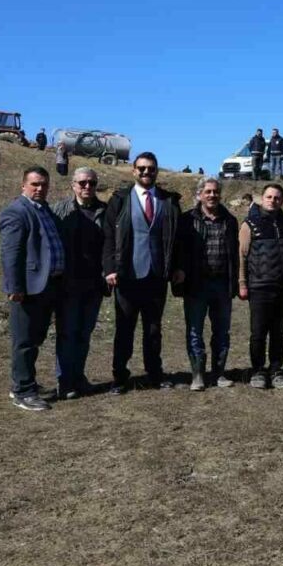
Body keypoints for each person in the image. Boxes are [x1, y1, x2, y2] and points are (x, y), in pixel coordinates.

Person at [103, 153, 182, 394]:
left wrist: (176, 267)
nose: (146, 172)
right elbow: (108, 236)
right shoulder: (120, 199)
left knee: (154, 329)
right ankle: (119, 377)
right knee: (124, 329)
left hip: (156, 275)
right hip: (127, 275)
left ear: (157, 171)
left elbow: (177, 238)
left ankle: (154, 374)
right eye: (142, 168)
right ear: (133, 171)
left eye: (151, 169)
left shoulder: (169, 201)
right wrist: (110, 268)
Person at [0, 166, 65, 410]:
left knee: (35, 338)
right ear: (23, 185)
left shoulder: (45, 210)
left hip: (47, 287)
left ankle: (27, 382)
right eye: (35, 184)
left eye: (44, 184)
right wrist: (14, 287)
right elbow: (11, 253)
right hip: (27, 289)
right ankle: (22, 392)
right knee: (24, 341)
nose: (40, 188)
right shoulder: (16, 212)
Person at [51, 167, 109, 399]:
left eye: (92, 183)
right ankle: (64, 381)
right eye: (82, 182)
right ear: (73, 185)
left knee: (85, 333)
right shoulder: (59, 210)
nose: (87, 187)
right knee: (67, 333)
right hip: (67, 284)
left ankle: (78, 376)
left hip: (94, 284)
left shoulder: (106, 211)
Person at [176, 176, 239, 391]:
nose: (212, 195)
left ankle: (219, 373)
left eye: (216, 191)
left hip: (222, 284)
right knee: (195, 331)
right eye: (208, 191)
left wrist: (236, 282)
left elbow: (235, 254)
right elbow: (179, 250)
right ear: (200, 195)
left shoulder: (230, 220)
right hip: (196, 285)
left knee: (222, 332)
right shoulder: (187, 220)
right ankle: (198, 375)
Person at [238, 183, 283, 389]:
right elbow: (242, 256)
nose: (273, 200)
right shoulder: (249, 224)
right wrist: (242, 283)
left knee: (279, 333)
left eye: (277, 197)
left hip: (282, 287)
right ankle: (258, 370)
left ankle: (276, 370)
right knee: (258, 333)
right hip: (259, 286)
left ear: (282, 200)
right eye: (269, 197)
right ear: (262, 199)